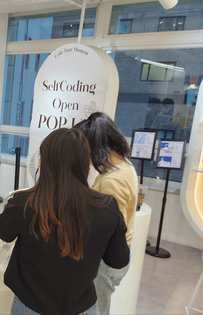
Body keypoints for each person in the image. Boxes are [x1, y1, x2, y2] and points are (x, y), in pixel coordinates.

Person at [0, 128, 130, 315]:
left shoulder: (24, 203)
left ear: (44, 161)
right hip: (81, 306)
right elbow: (118, 260)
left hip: (31, 306)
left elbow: (2, 231)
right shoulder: (107, 207)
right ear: (86, 163)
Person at [74, 112, 138, 315]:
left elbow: (106, 229)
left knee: (96, 308)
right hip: (114, 254)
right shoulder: (123, 166)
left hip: (106, 259)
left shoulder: (113, 180)